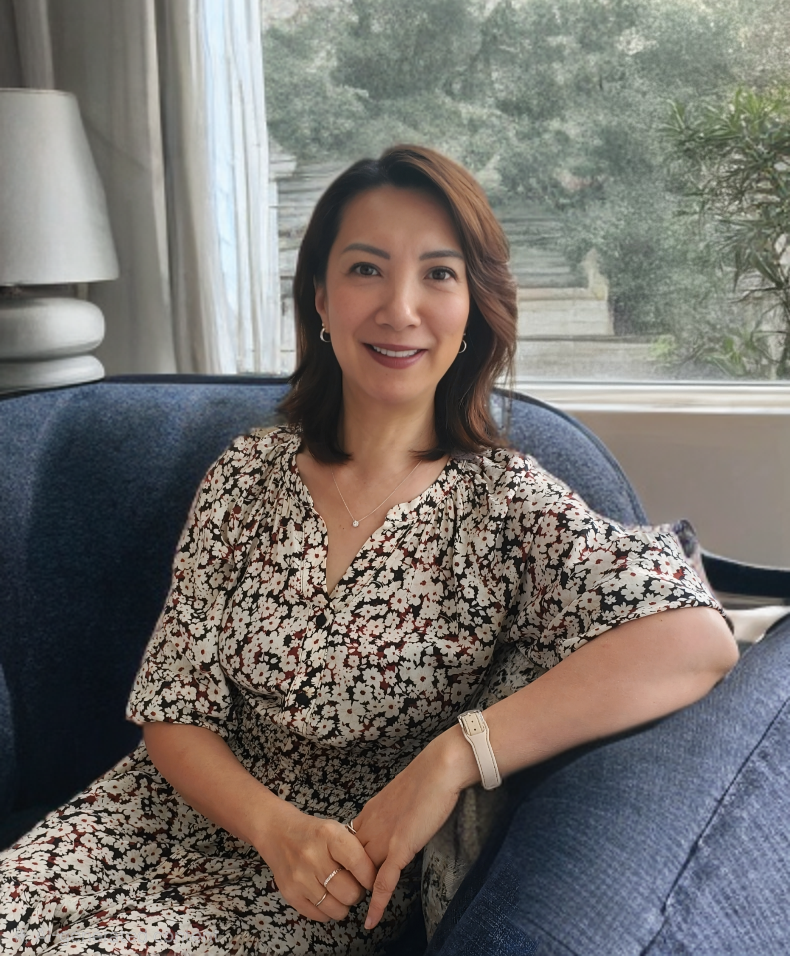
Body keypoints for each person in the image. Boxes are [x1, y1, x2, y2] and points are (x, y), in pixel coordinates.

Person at [0, 145, 738, 955]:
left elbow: (693, 640)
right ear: (320, 296)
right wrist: (271, 826)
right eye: (365, 270)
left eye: (438, 274)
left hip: (327, 881)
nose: (399, 307)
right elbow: (174, 712)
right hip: (150, 822)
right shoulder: (248, 471)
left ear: (474, 307)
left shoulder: (506, 501)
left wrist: (456, 757)